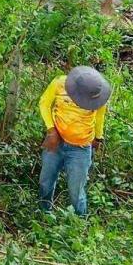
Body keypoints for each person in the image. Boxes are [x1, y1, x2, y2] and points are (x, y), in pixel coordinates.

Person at [37, 65, 111, 216]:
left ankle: (79, 223)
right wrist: (51, 131)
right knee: (46, 181)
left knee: (76, 190)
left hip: (81, 148)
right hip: (55, 142)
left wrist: (98, 137)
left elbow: (99, 116)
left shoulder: (97, 95)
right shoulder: (59, 84)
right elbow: (44, 103)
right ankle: (44, 214)